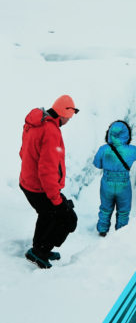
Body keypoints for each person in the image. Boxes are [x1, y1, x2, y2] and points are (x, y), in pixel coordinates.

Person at [19, 95, 79, 269]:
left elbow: (23, 152)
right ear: (63, 113)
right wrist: (56, 199)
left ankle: (39, 249)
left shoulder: (35, 123)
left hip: (27, 183)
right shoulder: (50, 131)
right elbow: (48, 171)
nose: (69, 120)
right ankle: (40, 252)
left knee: (46, 215)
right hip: (39, 187)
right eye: (69, 116)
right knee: (67, 219)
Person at [93, 121, 136, 236]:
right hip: (123, 184)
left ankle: (102, 230)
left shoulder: (103, 149)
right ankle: (120, 233)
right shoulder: (131, 150)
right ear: (127, 134)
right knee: (123, 211)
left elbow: (97, 164)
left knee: (105, 208)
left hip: (107, 183)